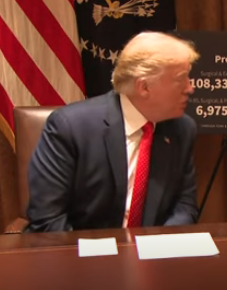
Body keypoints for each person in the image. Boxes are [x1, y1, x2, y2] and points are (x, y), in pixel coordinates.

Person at [26, 32, 200, 232]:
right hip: (83, 253)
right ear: (144, 87)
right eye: (181, 79)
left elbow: (184, 206)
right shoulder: (70, 128)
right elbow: (48, 219)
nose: (190, 88)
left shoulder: (182, 129)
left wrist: (160, 245)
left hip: (153, 254)